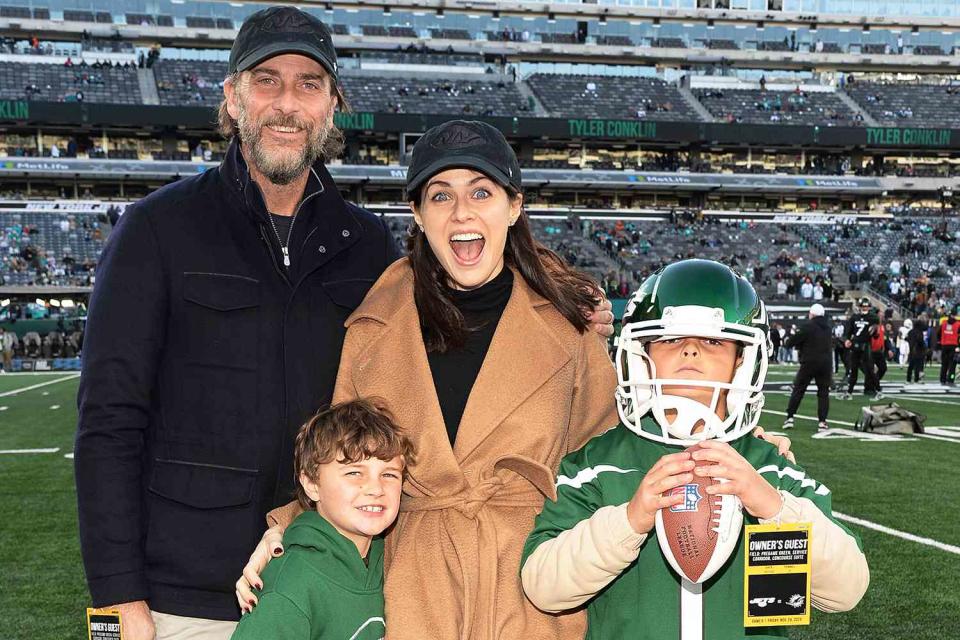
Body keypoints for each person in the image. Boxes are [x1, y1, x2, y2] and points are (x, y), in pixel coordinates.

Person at [235, 125, 793, 639]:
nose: (461, 213)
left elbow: (619, 447)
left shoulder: (569, 327)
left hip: (532, 587)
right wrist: (286, 528)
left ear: (513, 207)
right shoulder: (372, 326)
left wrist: (736, 442)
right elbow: (343, 456)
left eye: (481, 192)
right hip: (414, 584)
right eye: (441, 195)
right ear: (418, 214)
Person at [74, 8, 402, 640]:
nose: (287, 103)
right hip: (181, 601)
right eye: (266, 80)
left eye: (309, 84)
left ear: (333, 105)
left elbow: (395, 399)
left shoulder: (369, 246)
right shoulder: (156, 230)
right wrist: (117, 598)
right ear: (232, 97)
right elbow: (110, 422)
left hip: (328, 586)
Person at [519, 260, 869, 639]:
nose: (690, 352)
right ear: (642, 353)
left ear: (742, 360)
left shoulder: (772, 471)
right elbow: (543, 587)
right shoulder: (597, 465)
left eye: (713, 341)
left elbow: (846, 589)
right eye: (671, 340)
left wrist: (772, 507)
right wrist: (629, 520)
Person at [230, 399, 414, 640]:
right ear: (312, 484)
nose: (375, 488)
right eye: (354, 472)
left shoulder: (391, 562)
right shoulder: (291, 584)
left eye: (389, 474)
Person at [782, 303, 833, 431]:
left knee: (799, 389)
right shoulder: (828, 328)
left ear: (812, 314)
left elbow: (793, 341)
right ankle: (822, 421)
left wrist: (789, 342)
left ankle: (790, 417)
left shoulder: (808, 326)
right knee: (823, 393)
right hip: (825, 364)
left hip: (809, 362)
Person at [843, 297, 880, 400]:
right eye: (863, 306)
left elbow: (875, 335)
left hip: (866, 345)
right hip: (855, 345)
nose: (864, 308)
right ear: (859, 307)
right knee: (853, 369)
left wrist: (875, 332)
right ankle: (849, 392)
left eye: (866, 306)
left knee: (869, 369)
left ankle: (878, 390)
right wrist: (847, 340)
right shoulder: (854, 317)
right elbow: (849, 332)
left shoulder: (873, 317)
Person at [939, 310, 960, 385]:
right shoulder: (958, 324)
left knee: (944, 364)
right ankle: (950, 379)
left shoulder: (943, 323)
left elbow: (939, 333)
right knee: (952, 365)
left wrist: (940, 343)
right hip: (953, 346)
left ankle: (942, 379)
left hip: (944, 345)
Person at [906, 318, 927, 384]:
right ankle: (916, 379)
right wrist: (924, 347)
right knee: (917, 366)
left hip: (911, 350)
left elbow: (907, 338)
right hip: (918, 350)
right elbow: (920, 341)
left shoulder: (910, 332)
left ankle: (908, 379)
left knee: (911, 366)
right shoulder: (919, 332)